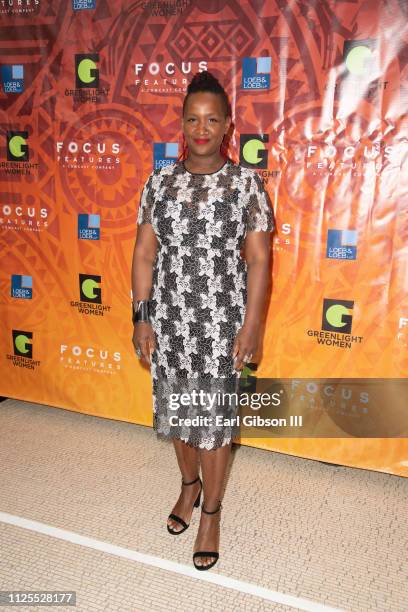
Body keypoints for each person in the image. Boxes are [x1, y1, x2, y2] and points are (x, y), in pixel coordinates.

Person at [131, 71, 274, 571]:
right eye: (193, 118)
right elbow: (145, 254)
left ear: (229, 127)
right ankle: (188, 486)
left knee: (212, 421)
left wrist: (252, 323)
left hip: (221, 322)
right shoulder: (160, 180)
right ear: (182, 123)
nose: (202, 127)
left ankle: (210, 512)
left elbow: (259, 260)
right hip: (169, 320)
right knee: (179, 413)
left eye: (213, 119)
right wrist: (142, 317)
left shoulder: (246, 184)